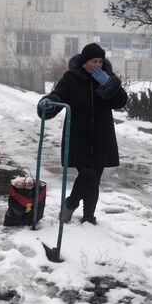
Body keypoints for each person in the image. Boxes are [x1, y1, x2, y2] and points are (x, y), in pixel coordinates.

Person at [37, 43, 127, 225]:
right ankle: (70, 204)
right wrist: (48, 102)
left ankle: (88, 216)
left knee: (94, 179)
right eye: (94, 61)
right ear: (84, 62)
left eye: (101, 61)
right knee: (88, 176)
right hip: (79, 137)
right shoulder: (71, 78)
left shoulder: (108, 79)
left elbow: (120, 101)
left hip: (102, 137)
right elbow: (58, 95)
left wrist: (108, 84)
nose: (98, 65)